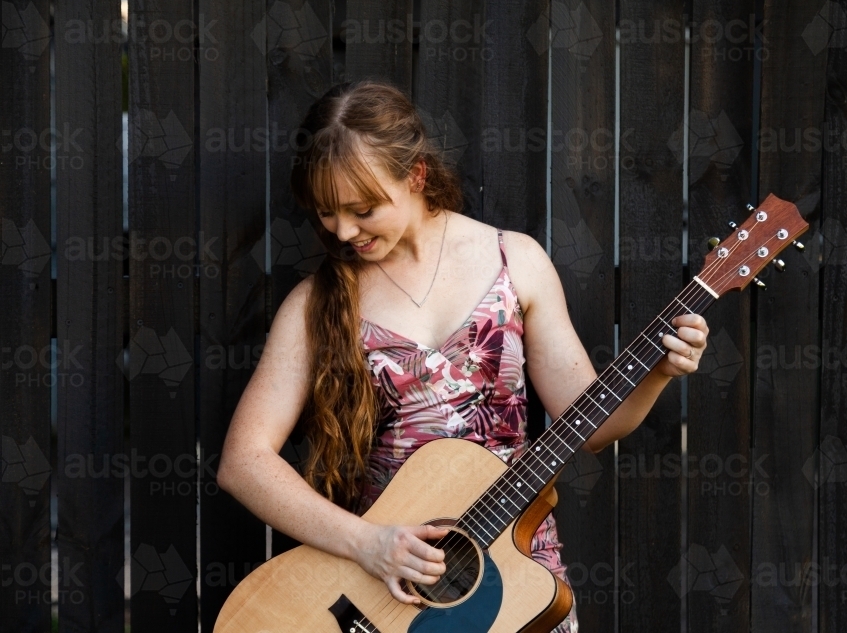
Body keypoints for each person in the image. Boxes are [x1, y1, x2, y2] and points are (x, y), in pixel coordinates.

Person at [217, 79, 709, 632]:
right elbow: (243, 463)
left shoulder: (514, 262)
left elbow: (590, 425)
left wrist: (659, 373)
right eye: (327, 213)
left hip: (518, 579)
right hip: (386, 587)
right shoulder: (316, 305)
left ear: (417, 176)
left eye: (363, 209)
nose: (344, 231)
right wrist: (369, 544)